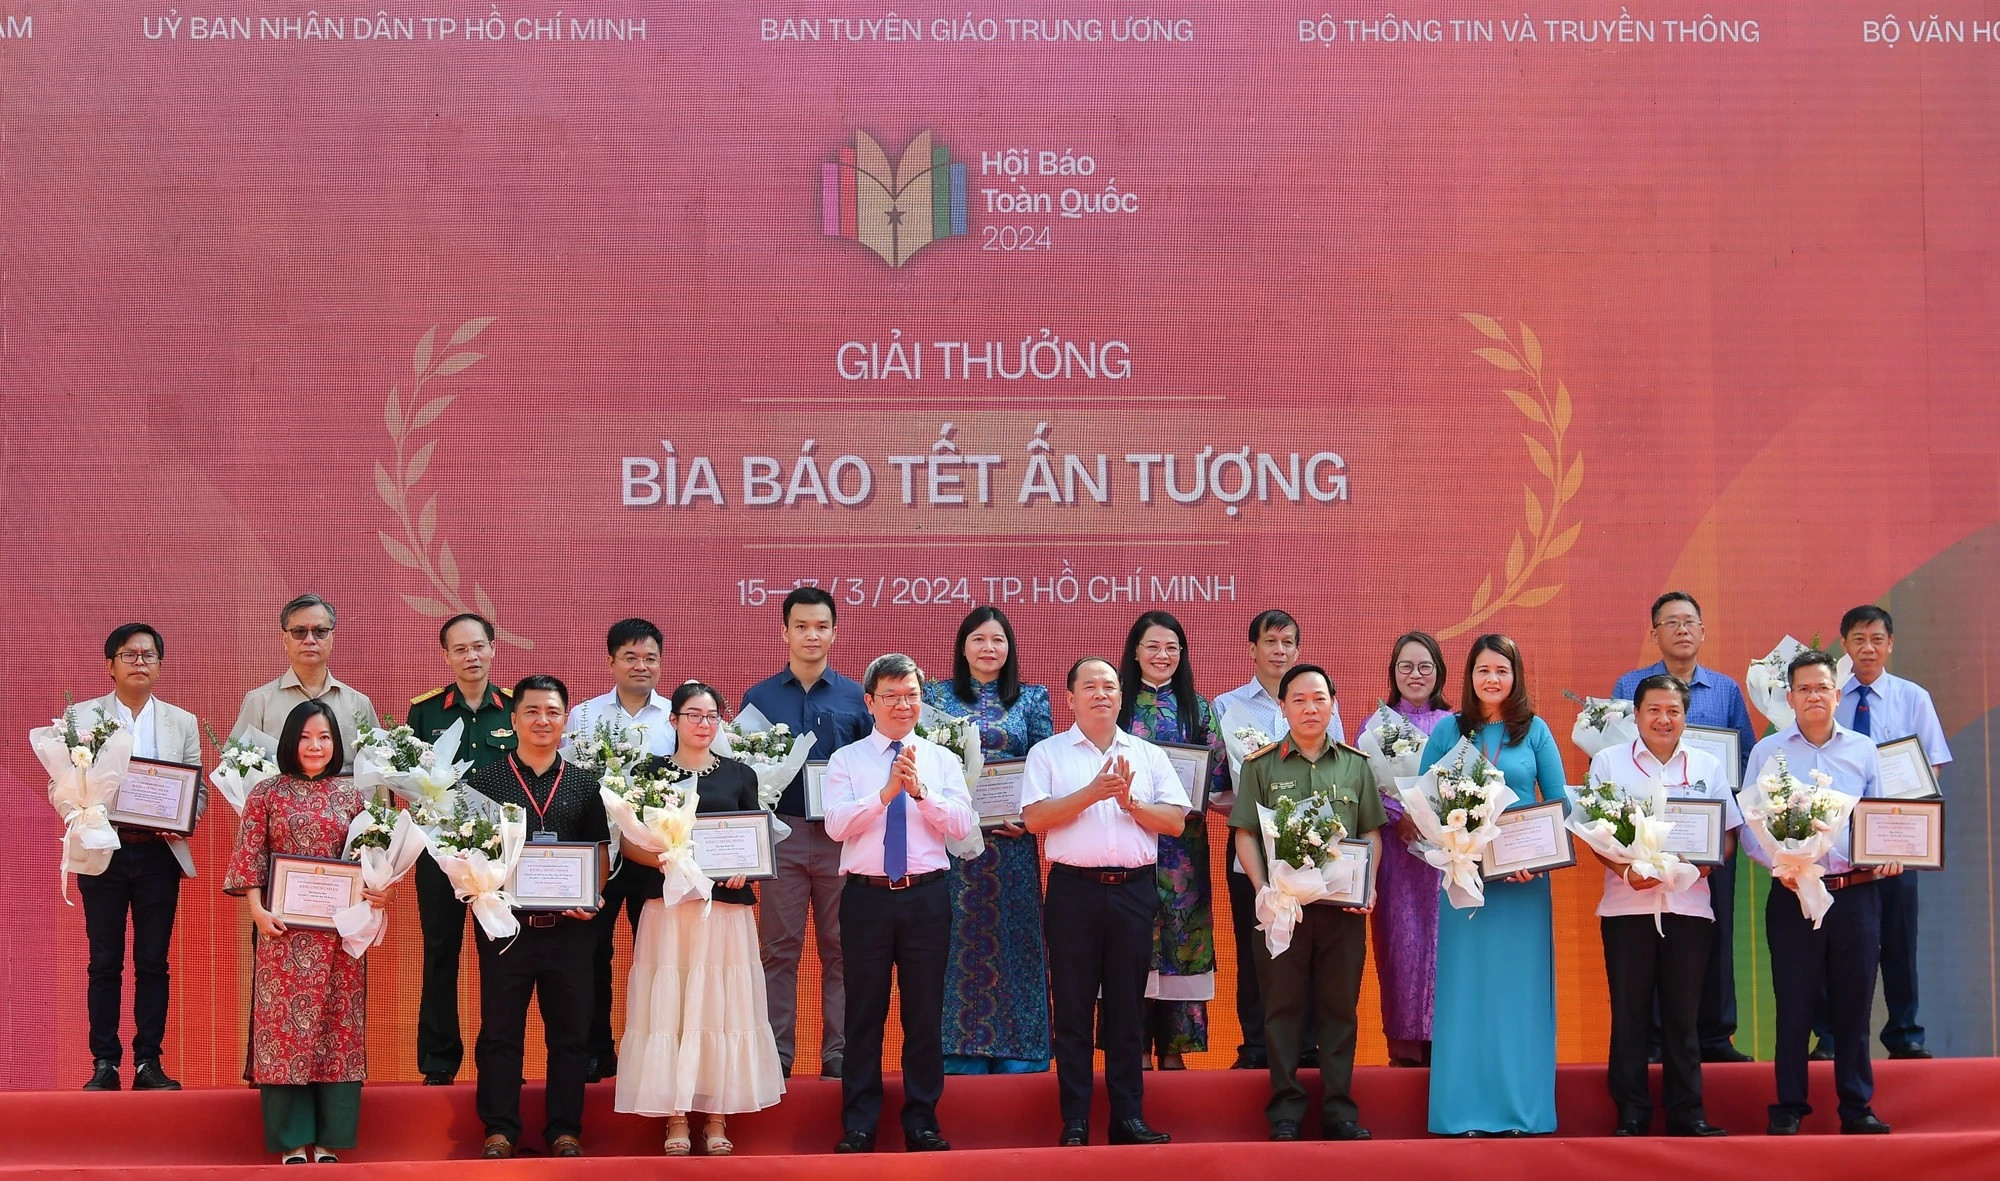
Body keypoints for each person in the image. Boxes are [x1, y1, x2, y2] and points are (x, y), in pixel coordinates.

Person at [616, 682, 785, 1156]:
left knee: (720, 1005)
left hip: (724, 912)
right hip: (669, 908)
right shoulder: (650, 774)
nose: (703, 724)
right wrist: (667, 862)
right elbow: (630, 844)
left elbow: (754, 842)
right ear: (673, 721)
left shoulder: (740, 775)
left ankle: (715, 1114)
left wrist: (742, 869)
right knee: (670, 1008)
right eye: (693, 715)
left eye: (712, 717)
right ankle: (673, 1116)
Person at [1023, 657, 1187, 1147]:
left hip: (1134, 891)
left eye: (1110, 686)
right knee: (1072, 1010)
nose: (1101, 694)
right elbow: (1035, 819)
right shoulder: (1048, 754)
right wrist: (1093, 792)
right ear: (1070, 698)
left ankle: (1127, 1118)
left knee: (1126, 1011)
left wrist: (1131, 804)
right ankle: (1075, 1120)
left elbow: (1176, 822)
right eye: (1089, 687)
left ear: (1122, 696)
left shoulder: (1147, 754)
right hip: (1073, 891)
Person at [822, 654, 976, 1154]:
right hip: (866, 899)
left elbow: (960, 825)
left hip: (927, 898)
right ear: (870, 702)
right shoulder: (847, 760)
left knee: (924, 1013)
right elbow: (836, 825)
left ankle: (922, 1120)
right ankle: (860, 1124)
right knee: (864, 1014)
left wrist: (921, 793)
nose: (903, 704)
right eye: (891, 695)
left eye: (911, 695)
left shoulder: (942, 759)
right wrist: (887, 793)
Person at [222, 700, 387, 1164]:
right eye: (305, 737)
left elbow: (375, 866)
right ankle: (293, 1140)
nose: (315, 747)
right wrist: (256, 910)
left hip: (340, 937)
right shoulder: (266, 793)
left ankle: (330, 1139)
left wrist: (382, 893)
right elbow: (249, 859)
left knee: (338, 1031)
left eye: (325, 738)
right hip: (282, 934)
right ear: (290, 741)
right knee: (284, 1032)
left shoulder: (354, 795)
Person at [1745, 649, 1899, 1136]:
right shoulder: (1768, 752)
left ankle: (1856, 1106)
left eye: (1823, 687)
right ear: (1789, 697)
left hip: (1855, 894)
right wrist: (1782, 864)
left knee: (1855, 1003)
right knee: (1793, 1002)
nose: (1815, 695)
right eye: (1804, 688)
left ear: (1838, 694)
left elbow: (1886, 816)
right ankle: (1789, 1106)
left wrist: (1892, 850)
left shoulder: (1862, 749)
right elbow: (1750, 825)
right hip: (1792, 893)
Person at [1419, 634, 1567, 1137]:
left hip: (1523, 886)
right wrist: (1467, 846)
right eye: (1483, 670)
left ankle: (1523, 1112)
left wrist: (1537, 856)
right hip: (1468, 881)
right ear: (1469, 677)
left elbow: (1560, 800)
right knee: (1469, 990)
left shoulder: (1537, 730)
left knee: (1519, 993)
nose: (1492, 679)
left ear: (1516, 676)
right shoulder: (1448, 732)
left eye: (1501, 670)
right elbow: (1427, 805)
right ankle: (1460, 1113)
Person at [1230, 664, 1385, 1142]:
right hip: (1286, 911)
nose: (1309, 708)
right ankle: (1285, 1111)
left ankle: (1340, 1110)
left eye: (1318, 698)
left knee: (1340, 1009)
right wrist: (1262, 889)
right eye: (1298, 699)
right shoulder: (1261, 765)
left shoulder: (1356, 764)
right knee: (1282, 1008)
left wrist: (1370, 886)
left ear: (1333, 704)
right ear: (1283, 707)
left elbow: (1371, 833)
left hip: (1342, 911)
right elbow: (1245, 834)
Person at [1586, 674, 1736, 1138]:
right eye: (1654, 710)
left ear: (1685, 717)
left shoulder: (1708, 765)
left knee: (1682, 1015)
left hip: (1689, 906)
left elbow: (1726, 836)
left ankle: (1687, 1112)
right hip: (1627, 907)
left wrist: (1704, 867)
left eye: (1673, 711)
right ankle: (1631, 1112)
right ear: (1636, 715)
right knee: (1629, 1014)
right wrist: (1626, 871)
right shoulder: (1609, 762)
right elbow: (1595, 833)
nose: (1663, 719)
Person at [1611, 591, 1758, 1062]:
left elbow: (1747, 762)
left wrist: (1719, 842)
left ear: (1702, 630)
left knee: (1712, 935)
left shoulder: (1727, 690)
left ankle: (1716, 1037)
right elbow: (1612, 762)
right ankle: (1656, 1041)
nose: (1681, 629)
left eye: (1689, 621)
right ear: (1653, 633)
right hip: (1643, 845)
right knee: (1649, 940)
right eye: (1670, 622)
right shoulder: (1628, 686)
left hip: (1709, 842)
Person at [469, 675, 607, 1159]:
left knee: (570, 1035)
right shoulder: (484, 781)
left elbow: (600, 853)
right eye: (531, 711)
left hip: (570, 931)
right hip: (506, 930)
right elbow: (467, 851)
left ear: (565, 718)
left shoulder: (586, 784)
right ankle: (500, 1129)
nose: (542, 720)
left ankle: (564, 1130)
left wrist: (592, 895)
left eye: (551, 711)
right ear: (513, 720)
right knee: (499, 1032)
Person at [743, 587, 872, 1081]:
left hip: (844, 838)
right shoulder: (760, 697)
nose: (811, 635)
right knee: (779, 948)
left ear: (834, 632)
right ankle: (776, 1055)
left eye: (821, 626)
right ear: (785, 632)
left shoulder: (855, 697)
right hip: (785, 837)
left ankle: (840, 1055)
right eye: (801, 626)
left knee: (843, 948)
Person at [1811, 605, 1950, 1062]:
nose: (1867, 647)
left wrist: (1903, 829)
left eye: (1876, 638)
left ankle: (1905, 1033)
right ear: (1844, 647)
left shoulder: (1913, 697)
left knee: (1898, 939)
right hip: (1835, 845)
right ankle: (1830, 1038)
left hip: (1895, 841)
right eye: (1857, 639)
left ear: (1890, 644)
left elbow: (1931, 768)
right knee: (1836, 943)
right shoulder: (1827, 699)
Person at [74, 623, 205, 1092]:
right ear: (110, 665)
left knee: (154, 962)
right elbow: (60, 785)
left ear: (160, 666)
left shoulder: (181, 722)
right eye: (129, 655)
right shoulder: (80, 716)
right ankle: (104, 1063)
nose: (140, 662)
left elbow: (199, 791)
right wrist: (83, 810)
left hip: (157, 856)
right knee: (103, 961)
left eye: (149, 655)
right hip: (103, 854)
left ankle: (149, 1062)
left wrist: (182, 815)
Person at [922, 606, 1053, 1075]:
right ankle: (958, 1054)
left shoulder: (1034, 699)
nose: (988, 648)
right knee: (954, 943)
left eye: (998, 640)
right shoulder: (935, 696)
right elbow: (929, 765)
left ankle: (1022, 1055)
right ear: (963, 647)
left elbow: (1044, 766)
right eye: (978, 639)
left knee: (1016, 944)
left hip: (1013, 848)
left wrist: (1029, 816)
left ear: (1009, 648)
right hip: (956, 849)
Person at [406, 612, 515, 1086]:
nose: (471, 656)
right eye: (459, 649)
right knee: (440, 951)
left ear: (494, 648)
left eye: (479, 646)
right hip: (439, 854)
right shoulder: (425, 712)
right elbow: (406, 785)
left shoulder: (516, 707)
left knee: (505, 956)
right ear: (445, 655)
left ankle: (502, 1059)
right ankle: (438, 1061)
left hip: (497, 856)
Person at [1210, 608, 1322, 1071]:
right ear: (1251, 648)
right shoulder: (1226, 707)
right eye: (1270, 642)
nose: (1280, 651)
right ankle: (1255, 1047)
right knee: (1255, 948)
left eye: (1288, 642)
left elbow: (1335, 774)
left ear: (1298, 649)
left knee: (1309, 952)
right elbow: (1215, 787)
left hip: (1312, 853)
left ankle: (1308, 1046)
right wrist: (1253, 812)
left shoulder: (1317, 702)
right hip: (1252, 851)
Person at [566, 618, 673, 1081]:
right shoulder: (585, 717)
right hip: (602, 853)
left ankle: (656, 1053)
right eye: (630, 656)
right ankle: (597, 1050)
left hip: (654, 856)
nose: (641, 665)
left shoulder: (675, 716)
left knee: (659, 956)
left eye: (650, 657)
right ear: (610, 662)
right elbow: (568, 784)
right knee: (594, 955)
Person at [1117, 609, 1224, 1070]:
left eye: (1172, 648)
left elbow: (1216, 776)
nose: (1163, 656)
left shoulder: (1198, 708)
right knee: (1130, 945)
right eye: (1153, 647)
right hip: (1126, 845)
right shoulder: (1114, 703)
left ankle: (1176, 1056)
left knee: (1181, 942)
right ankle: (1133, 1053)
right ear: (1135, 652)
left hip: (1184, 852)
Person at [1373, 631, 1451, 1068]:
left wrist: (1435, 818)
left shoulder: (1456, 724)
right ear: (1393, 672)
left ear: (1438, 672)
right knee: (1400, 945)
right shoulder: (1376, 724)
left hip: (1445, 858)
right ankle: (1402, 1050)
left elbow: (1470, 787)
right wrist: (1397, 815)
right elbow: (1366, 785)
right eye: (1406, 666)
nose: (1415, 674)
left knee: (1443, 947)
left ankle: (1447, 1048)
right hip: (1398, 857)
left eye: (1424, 666)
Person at [231, 594, 378, 770]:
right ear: (285, 639)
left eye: (320, 631)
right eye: (299, 632)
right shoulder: (260, 701)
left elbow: (377, 771)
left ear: (332, 638)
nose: (310, 640)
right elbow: (234, 767)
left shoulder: (358, 703)